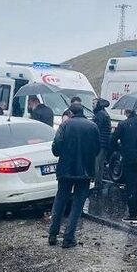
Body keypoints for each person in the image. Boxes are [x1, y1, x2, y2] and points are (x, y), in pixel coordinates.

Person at [48, 103, 100, 249]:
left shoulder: (65, 126)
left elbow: (56, 147)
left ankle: (53, 234)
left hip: (65, 170)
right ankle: (68, 238)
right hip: (84, 172)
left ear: (71, 112)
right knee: (77, 206)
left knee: (60, 202)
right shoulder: (92, 127)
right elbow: (97, 149)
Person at [110, 108, 137, 224]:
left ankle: (132, 214)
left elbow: (112, 141)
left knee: (131, 186)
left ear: (126, 112)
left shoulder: (122, 124)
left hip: (129, 159)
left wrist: (120, 149)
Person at [92, 97, 112, 190]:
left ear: (98, 104)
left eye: (94, 103)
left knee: (97, 163)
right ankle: (98, 182)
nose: (92, 105)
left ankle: (96, 183)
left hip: (99, 143)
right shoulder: (104, 113)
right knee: (100, 164)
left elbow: (96, 128)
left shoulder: (100, 114)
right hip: (104, 143)